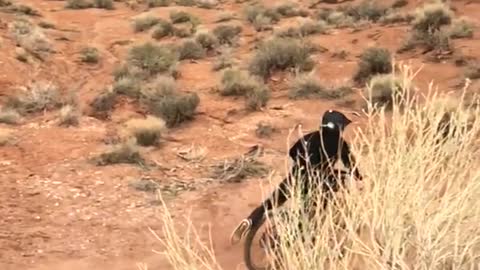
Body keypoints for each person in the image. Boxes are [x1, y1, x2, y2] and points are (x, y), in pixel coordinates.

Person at [230, 109, 362, 245]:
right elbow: (350, 164)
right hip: (316, 184)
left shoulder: (309, 137)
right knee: (311, 210)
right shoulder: (340, 144)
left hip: (295, 177)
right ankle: (295, 236)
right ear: (339, 128)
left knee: (271, 203)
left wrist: (303, 164)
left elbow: (293, 152)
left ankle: (251, 220)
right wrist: (358, 177)